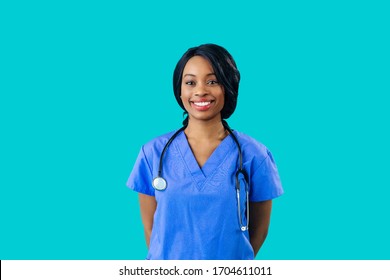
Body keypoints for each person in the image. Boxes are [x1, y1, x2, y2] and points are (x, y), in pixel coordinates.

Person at [126, 43, 284, 260]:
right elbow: (151, 230)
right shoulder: (153, 153)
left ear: (227, 87)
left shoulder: (255, 155)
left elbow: (260, 230)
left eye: (212, 81)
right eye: (190, 82)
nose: (200, 90)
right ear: (179, 91)